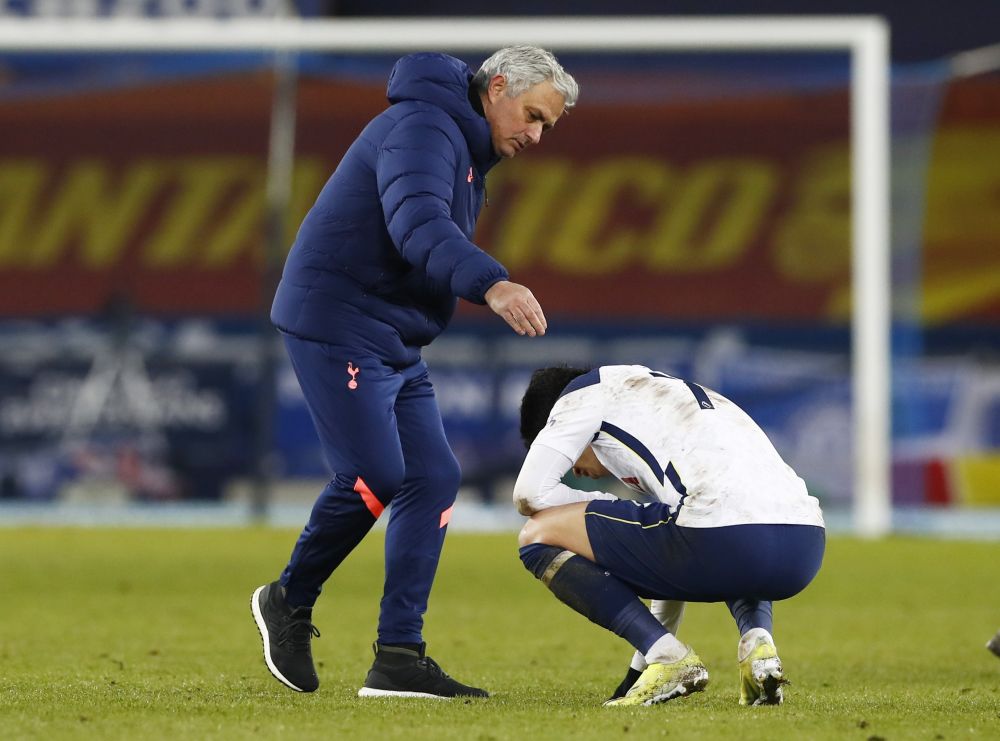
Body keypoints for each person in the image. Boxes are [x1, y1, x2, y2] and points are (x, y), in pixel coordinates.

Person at [251, 46, 578, 699]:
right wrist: (492, 284)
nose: (536, 135)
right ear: (500, 85)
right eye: (534, 115)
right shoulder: (425, 128)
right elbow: (417, 226)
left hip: (388, 334)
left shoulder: (457, 138)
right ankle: (288, 598)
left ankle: (399, 655)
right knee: (377, 474)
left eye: (548, 126)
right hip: (339, 320)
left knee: (432, 477)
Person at [513, 365, 826, 707]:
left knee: (538, 533)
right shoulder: (666, 397)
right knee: (708, 519)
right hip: (805, 548)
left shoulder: (579, 396)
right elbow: (665, 569)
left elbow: (530, 494)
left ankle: (669, 660)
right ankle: (759, 647)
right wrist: (634, 677)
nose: (574, 469)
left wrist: (599, 506)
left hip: (724, 540)